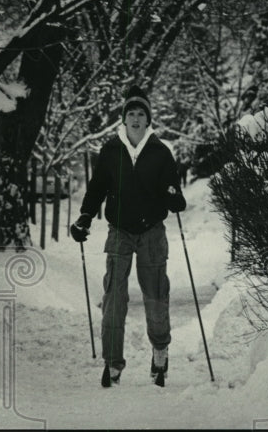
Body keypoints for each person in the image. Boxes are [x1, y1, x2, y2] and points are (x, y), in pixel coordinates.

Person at [70, 85, 186, 388]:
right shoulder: (110, 151)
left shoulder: (161, 152)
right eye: (131, 113)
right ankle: (112, 362)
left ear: (148, 120)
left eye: (141, 114)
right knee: (114, 298)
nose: (135, 118)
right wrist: (85, 216)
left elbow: (173, 190)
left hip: (152, 234)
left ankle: (160, 351)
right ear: (124, 119)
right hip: (119, 231)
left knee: (156, 295)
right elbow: (97, 189)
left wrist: (174, 197)